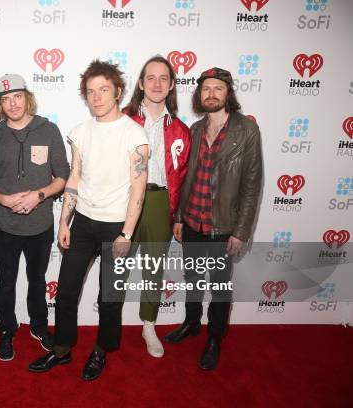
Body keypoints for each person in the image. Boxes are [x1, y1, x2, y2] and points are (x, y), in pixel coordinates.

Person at [29, 60, 149, 381]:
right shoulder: (80, 132)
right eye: (91, 92)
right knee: (66, 291)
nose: (96, 97)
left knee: (109, 298)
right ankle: (62, 351)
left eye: (103, 90)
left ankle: (100, 352)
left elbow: (139, 186)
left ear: (118, 92)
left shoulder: (134, 134)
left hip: (118, 228)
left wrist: (127, 233)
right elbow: (75, 177)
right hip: (82, 222)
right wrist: (64, 222)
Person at [164, 67, 263, 370]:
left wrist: (241, 230)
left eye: (217, 88)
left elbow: (252, 184)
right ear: (199, 94)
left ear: (228, 94)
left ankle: (215, 337)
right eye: (206, 89)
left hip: (223, 227)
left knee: (219, 286)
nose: (211, 94)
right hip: (192, 221)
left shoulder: (246, 130)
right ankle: (192, 323)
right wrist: (179, 217)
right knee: (193, 279)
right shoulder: (194, 130)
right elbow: (184, 179)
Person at [0, 74, 70, 361]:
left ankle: (39, 326)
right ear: (0, 105)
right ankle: (6, 330)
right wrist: (5, 199)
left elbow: (63, 177)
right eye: (5, 99)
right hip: (5, 225)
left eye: (17, 96)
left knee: (38, 279)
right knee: (6, 281)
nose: (12, 104)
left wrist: (39, 196)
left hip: (40, 224)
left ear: (27, 97)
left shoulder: (49, 129)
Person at [124, 55, 191, 358]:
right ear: (140, 83)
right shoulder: (122, 120)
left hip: (160, 201)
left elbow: (184, 177)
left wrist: (177, 215)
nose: (156, 83)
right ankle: (108, 323)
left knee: (153, 268)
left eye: (164, 78)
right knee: (116, 264)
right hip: (124, 200)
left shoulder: (181, 130)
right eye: (150, 77)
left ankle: (148, 325)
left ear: (172, 85)